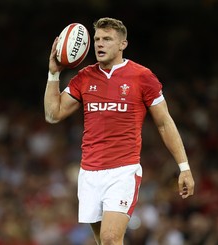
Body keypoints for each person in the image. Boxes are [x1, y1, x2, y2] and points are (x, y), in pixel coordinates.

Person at [44, 17, 195, 245]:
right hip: (89, 173)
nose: (100, 44)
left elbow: (164, 122)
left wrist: (184, 167)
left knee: (111, 238)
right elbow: (52, 114)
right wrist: (53, 73)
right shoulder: (84, 77)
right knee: (104, 242)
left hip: (123, 171)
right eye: (96, 39)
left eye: (107, 39)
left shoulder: (142, 77)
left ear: (123, 44)